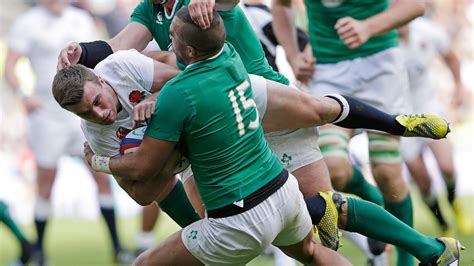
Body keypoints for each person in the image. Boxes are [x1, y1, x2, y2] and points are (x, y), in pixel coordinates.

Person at [53, 7, 462, 265]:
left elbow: (173, 60)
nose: (100, 113)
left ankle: (394, 123)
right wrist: (83, 52)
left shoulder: (187, 24)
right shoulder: (147, 18)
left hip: (237, 89)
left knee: (318, 137)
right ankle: (425, 248)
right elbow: (119, 46)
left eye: (95, 102)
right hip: (206, 117)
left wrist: (126, 137)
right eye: (86, 110)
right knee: (312, 229)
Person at [271, 0, 429, 265]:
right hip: (328, 71)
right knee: (333, 169)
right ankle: (374, 202)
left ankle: (406, 258)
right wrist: (293, 55)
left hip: (380, 66)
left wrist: (368, 26)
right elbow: (281, 6)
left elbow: (415, 6)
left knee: (387, 172)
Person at [3, 0, 130, 263]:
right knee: (46, 181)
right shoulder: (28, 23)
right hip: (47, 116)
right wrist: (23, 96)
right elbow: (10, 66)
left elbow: (100, 58)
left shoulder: (80, 19)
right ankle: (39, 251)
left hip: (83, 112)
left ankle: (118, 247)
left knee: (102, 174)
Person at [399, 17, 472, 235]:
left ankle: (454, 202)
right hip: (398, 116)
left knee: (447, 167)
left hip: (428, 107)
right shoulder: (378, 41)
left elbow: (451, 56)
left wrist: (458, 85)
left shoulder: (427, 30)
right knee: (423, 182)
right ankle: (442, 223)